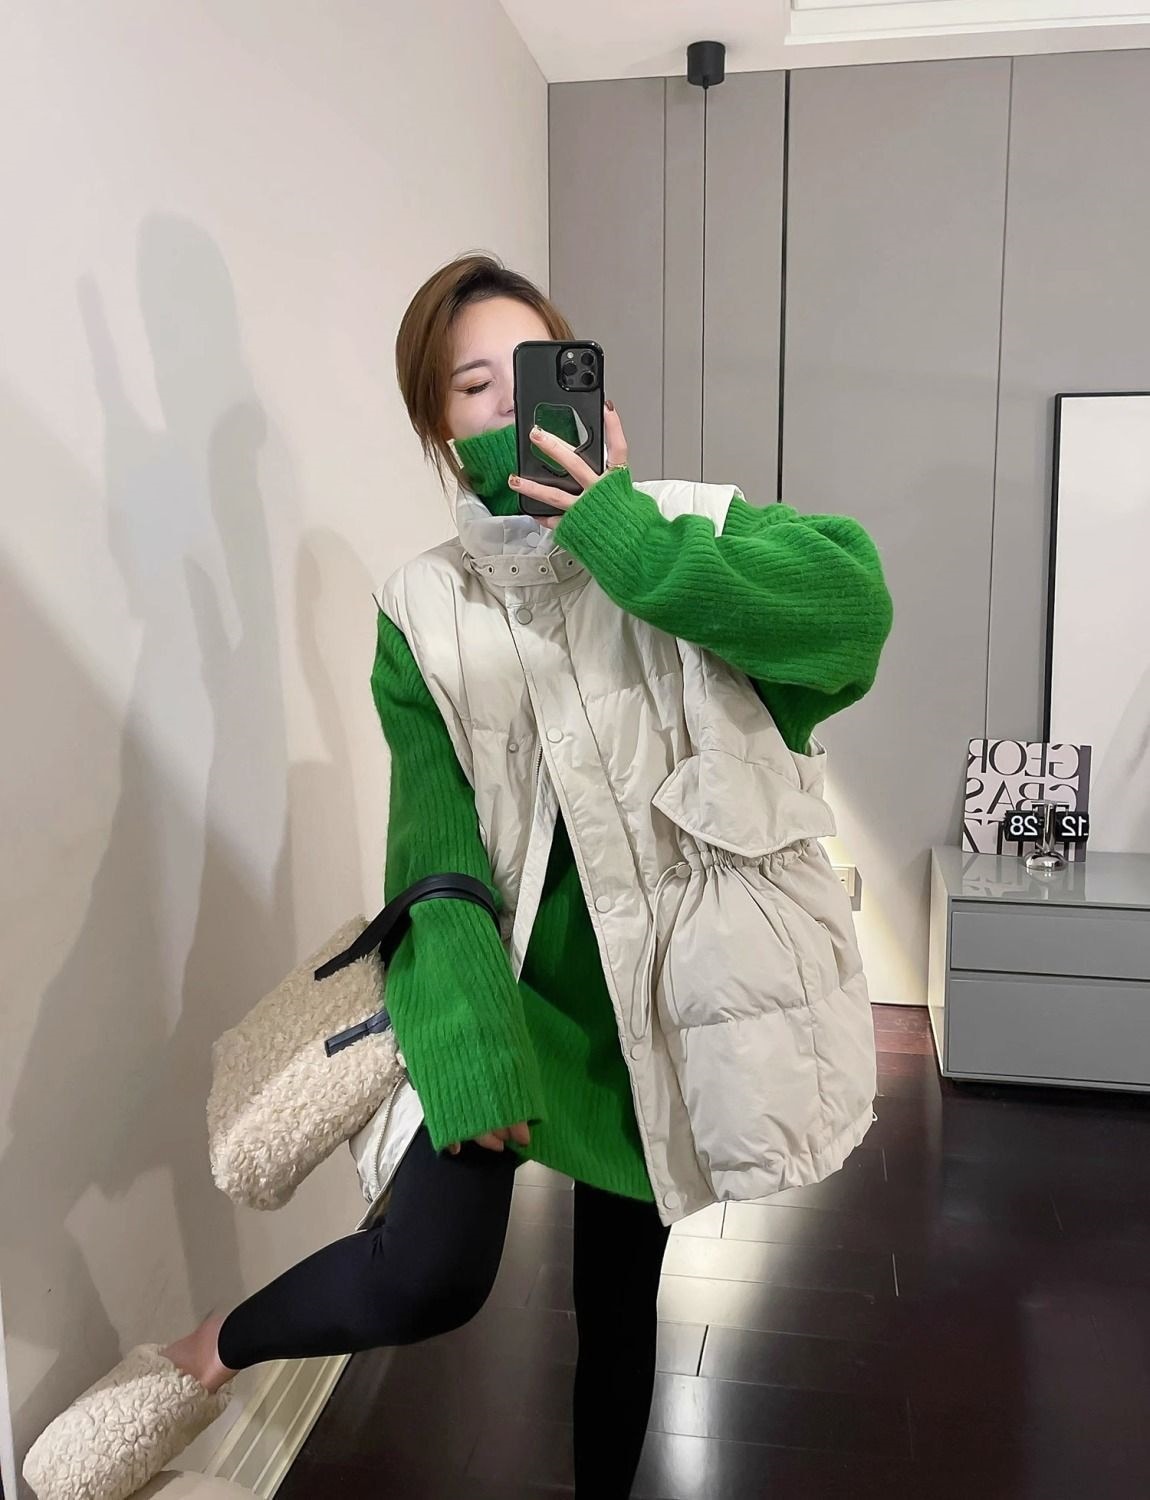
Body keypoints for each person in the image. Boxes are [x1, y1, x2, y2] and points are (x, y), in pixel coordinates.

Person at [23, 254, 893, 1500]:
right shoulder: (420, 604)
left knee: (619, 1298)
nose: (507, 408)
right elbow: (431, 847)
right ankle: (201, 1354)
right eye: (472, 387)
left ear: (585, 390)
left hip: (660, 995)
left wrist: (625, 537)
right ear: (438, 426)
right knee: (428, 1272)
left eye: (532, 375)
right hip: (507, 988)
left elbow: (850, 619)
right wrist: (472, 1049)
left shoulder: (694, 524)